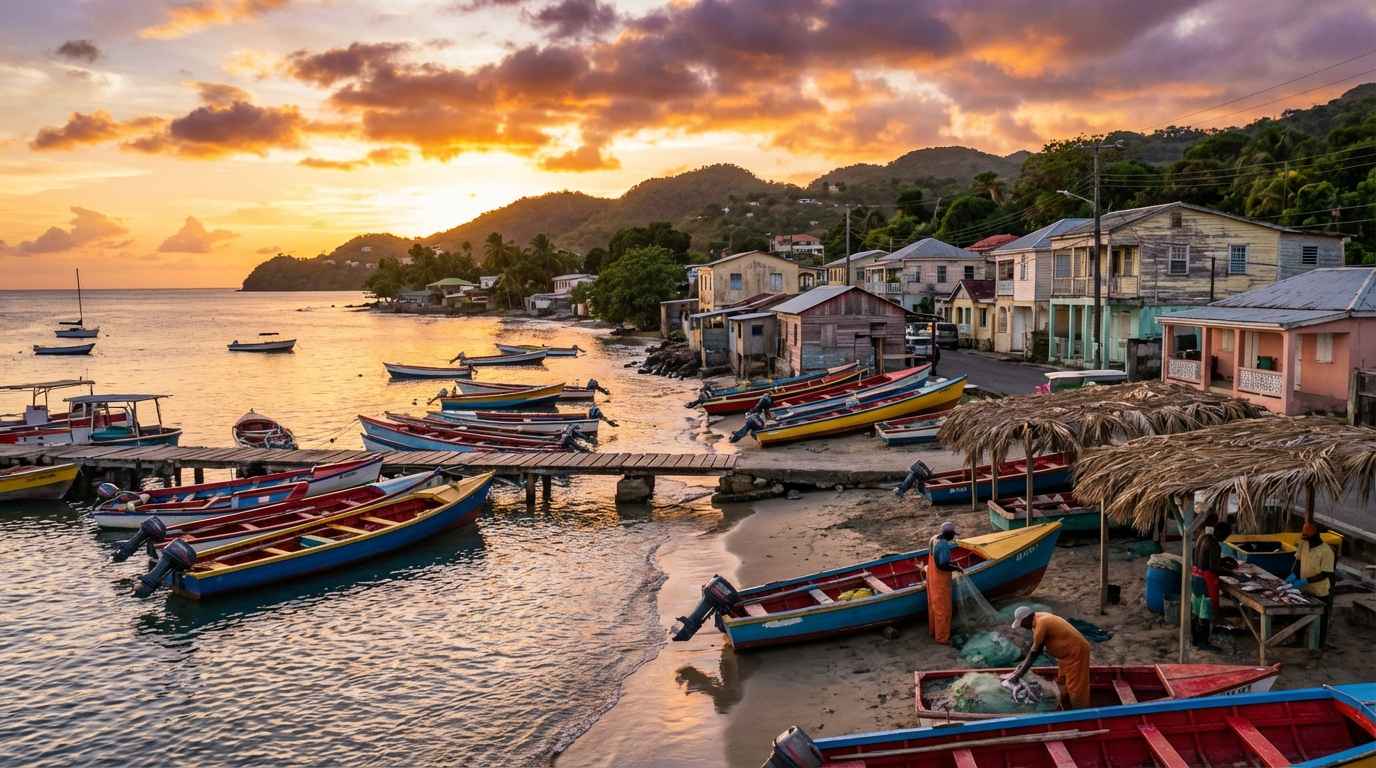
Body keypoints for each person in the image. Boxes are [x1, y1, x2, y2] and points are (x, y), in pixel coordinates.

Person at [1005, 607, 1091, 710]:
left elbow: (1035, 653)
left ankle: (1081, 713)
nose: (1022, 627)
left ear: (1027, 618)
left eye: (1022, 623)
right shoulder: (1037, 619)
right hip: (1065, 656)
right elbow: (1034, 645)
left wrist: (1018, 675)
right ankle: (1066, 709)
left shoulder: (1042, 623)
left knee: (1076, 687)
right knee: (1062, 682)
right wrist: (1022, 663)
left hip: (1076, 653)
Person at [1289, 523, 1336, 646]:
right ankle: (1298, 642)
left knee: (1320, 620)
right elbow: (1298, 561)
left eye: (1307, 535)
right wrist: (1293, 575)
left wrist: (1305, 580)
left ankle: (1319, 646)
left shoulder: (1327, 551)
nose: (1304, 537)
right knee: (1299, 616)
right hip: (1303, 590)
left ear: (1316, 535)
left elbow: (1325, 574)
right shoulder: (1303, 543)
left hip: (1320, 591)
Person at [1190, 518, 1233, 652]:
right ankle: (1203, 642)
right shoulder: (1215, 544)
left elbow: (1203, 557)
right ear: (1222, 534)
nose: (1225, 539)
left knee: (1196, 610)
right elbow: (1213, 568)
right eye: (1226, 536)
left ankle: (1195, 640)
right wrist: (1232, 574)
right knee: (1205, 611)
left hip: (1196, 576)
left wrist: (1223, 560)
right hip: (1206, 580)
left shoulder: (1204, 538)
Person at [927, 521, 964, 645]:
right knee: (943, 609)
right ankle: (942, 638)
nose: (953, 537)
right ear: (948, 534)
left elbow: (937, 559)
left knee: (934, 606)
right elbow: (942, 565)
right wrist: (956, 568)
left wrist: (951, 564)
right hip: (940, 580)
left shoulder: (934, 539)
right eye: (953, 535)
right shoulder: (943, 545)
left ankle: (934, 631)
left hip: (931, 577)